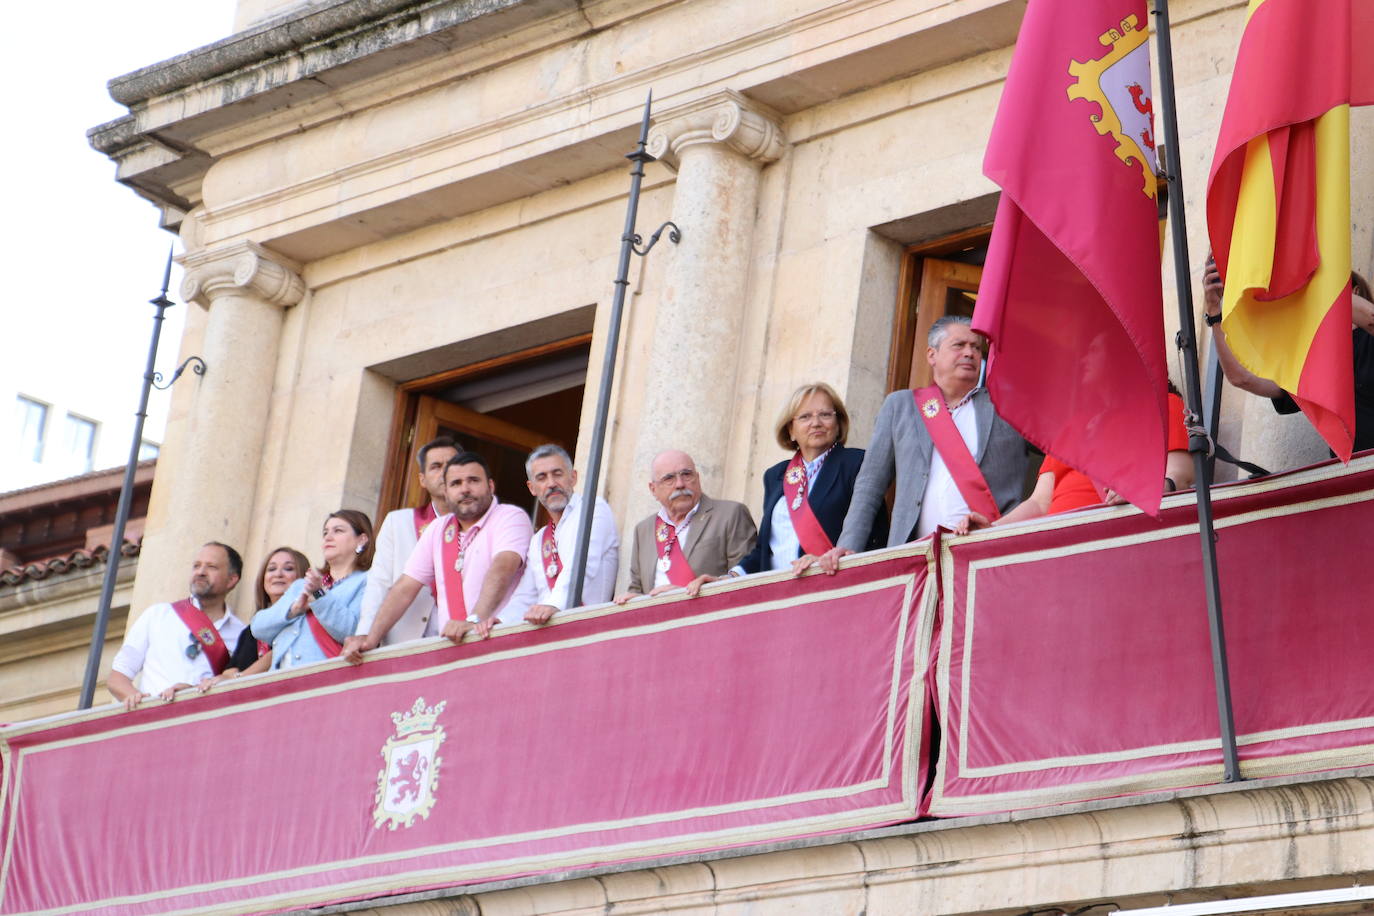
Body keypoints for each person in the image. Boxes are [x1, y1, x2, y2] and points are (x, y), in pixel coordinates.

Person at [811, 315, 1029, 575]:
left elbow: (1057, 451)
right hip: (915, 558)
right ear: (932, 355)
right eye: (959, 345)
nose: (970, 353)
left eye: (976, 347)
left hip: (989, 553)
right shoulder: (900, 406)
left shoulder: (1008, 404)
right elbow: (870, 483)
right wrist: (848, 546)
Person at [690, 383, 885, 595]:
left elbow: (875, 533)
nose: (816, 423)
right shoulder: (775, 476)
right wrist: (729, 578)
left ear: (838, 424)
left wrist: (825, 561)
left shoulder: (856, 463)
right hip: (779, 596)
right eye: (805, 417)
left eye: (825, 415)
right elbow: (765, 550)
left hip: (832, 590)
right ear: (790, 430)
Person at [341, 451, 532, 662]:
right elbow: (405, 587)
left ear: (491, 486)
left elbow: (502, 568)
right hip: (453, 648)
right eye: (456, 483)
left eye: (473, 481)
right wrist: (370, 639)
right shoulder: (439, 528)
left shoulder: (510, 516)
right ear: (447, 493)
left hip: (498, 643)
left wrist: (474, 620)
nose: (465, 489)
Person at [955, 385, 1195, 534]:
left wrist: (1140, 493)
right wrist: (992, 530)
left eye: (1095, 351)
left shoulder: (1163, 404)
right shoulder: (1073, 425)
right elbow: (1040, 503)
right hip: (1055, 542)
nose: (1085, 360)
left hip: (1113, 537)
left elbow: (1179, 477)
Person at [1204, 256, 1374, 453]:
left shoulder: (1368, 339)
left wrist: (1311, 284)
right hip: (1353, 477)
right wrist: (1215, 312)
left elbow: (1369, 317)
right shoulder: (1312, 359)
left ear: (1355, 292)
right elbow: (1242, 378)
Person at [107, 542, 247, 710]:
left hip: (206, 725)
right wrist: (137, 700)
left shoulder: (242, 634)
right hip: (155, 721)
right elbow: (117, 677)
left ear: (232, 580)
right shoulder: (158, 615)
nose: (201, 572)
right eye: (197, 566)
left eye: (211, 567)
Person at [356, 436, 460, 646]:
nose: (445, 472)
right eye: (436, 467)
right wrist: (365, 633)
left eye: (452, 465)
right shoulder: (398, 522)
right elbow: (379, 582)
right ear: (422, 480)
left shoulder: (483, 523)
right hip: (405, 641)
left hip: (460, 634)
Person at [616, 449, 757, 601]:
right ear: (653, 489)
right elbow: (637, 588)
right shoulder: (643, 530)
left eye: (687, 475)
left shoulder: (730, 514)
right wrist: (631, 599)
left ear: (697, 478)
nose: (680, 484)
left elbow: (746, 579)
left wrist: (683, 596)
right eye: (669, 478)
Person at [511, 444, 620, 624]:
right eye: (542, 477)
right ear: (532, 487)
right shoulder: (539, 540)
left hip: (589, 630)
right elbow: (525, 596)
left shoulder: (593, 509)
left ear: (573, 477)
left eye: (557, 474)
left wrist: (553, 605)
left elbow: (582, 566)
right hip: (548, 634)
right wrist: (500, 620)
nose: (551, 483)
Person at [251, 510, 373, 670]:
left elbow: (353, 633)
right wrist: (294, 610)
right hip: (280, 682)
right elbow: (258, 628)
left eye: (338, 531)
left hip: (324, 683)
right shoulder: (302, 584)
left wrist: (319, 595)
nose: (328, 537)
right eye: (325, 532)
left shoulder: (367, 581)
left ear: (362, 540)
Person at [200, 545, 310, 689]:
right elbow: (230, 673)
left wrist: (241, 678)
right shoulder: (251, 630)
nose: (278, 574)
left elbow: (278, 653)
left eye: (288, 568)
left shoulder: (308, 620)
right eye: (271, 569)